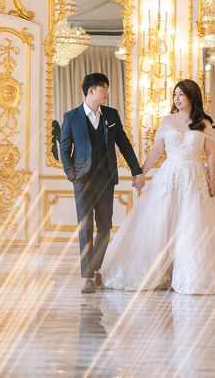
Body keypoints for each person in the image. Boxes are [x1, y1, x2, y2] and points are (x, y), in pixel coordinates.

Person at [100, 79, 215, 295]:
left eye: (181, 94)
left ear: (192, 97)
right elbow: (156, 151)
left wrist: (213, 180)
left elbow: (211, 153)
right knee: (162, 223)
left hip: (194, 178)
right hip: (169, 177)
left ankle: (191, 274)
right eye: (175, 94)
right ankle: (160, 272)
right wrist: (141, 173)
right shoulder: (166, 121)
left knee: (191, 224)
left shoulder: (203, 123)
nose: (177, 98)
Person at [60, 72, 145, 294]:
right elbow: (64, 148)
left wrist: (137, 171)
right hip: (83, 181)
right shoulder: (71, 117)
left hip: (106, 179)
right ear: (91, 91)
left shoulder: (111, 115)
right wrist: (71, 174)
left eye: (107, 88)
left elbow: (124, 144)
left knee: (105, 227)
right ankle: (89, 276)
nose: (107, 92)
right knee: (85, 227)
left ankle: (96, 269)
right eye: (103, 88)